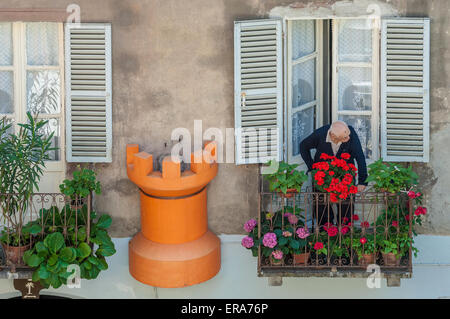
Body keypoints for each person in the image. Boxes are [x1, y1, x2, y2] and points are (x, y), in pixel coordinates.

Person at [299, 121, 368, 228]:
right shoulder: (320, 134)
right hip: (322, 176)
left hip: (345, 176)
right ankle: (325, 234)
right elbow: (303, 146)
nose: (348, 138)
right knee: (322, 207)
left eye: (348, 135)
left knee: (346, 209)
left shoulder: (350, 134)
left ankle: (345, 235)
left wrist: (362, 181)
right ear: (332, 136)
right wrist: (312, 167)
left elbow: (360, 156)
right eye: (345, 138)